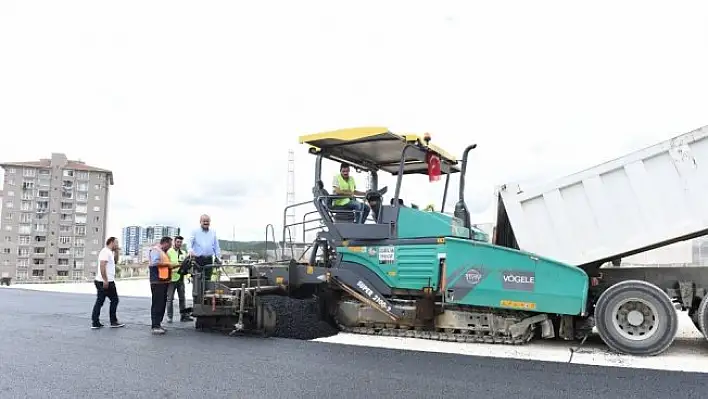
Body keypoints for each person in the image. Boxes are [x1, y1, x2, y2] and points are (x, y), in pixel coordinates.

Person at [91, 237, 125, 329]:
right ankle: (113, 322)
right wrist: (105, 280)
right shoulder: (105, 251)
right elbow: (102, 265)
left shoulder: (109, 252)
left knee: (100, 301)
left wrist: (117, 251)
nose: (117, 245)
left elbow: (115, 261)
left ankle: (95, 322)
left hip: (106, 281)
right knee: (114, 300)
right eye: (116, 243)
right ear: (112, 242)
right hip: (105, 281)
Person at [148, 236, 173, 335]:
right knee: (157, 303)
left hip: (163, 281)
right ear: (165, 243)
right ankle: (155, 326)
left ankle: (158, 324)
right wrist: (167, 265)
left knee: (162, 303)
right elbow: (154, 263)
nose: (170, 247)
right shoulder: (155, 250)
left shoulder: (163, 252)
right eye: (169, 245)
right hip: (157, 282)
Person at [188, 214, 221, 283]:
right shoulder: (195, 231)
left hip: (209, 259)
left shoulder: (213, 232)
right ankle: (198, 294)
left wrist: (218, 257)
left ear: (210, 222)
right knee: (197, 280)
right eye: (204, 221)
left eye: (207, 221)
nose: (206, 223)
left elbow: (216, 246)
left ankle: (205, 293)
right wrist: (190, 250)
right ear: (200, 222)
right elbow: (189, 242)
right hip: (198, 260)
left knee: (208, 279)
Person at [166, 235, 192, 323]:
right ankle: (169, 317)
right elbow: (167, 265)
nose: (179, 243)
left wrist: (188, 276)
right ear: (174, 242)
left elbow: (186, 266)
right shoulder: (169, 252)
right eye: (178, 242)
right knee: (170, 299)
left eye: (181, 242)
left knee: (182, 298)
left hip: (181, 278)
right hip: (171, 279)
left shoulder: (183, 253)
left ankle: (183, 316)